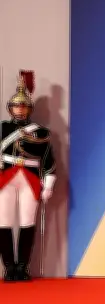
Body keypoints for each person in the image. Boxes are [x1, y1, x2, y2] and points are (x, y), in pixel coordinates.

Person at [0, 71, 57, 283]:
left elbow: (48, 160)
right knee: (3, 222)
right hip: (5, 178)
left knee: (27, 222)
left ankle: (23, 267)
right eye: (16, 106)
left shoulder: (41, 132)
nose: (20, 110)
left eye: (23, 106)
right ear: (10, 108)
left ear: (29, 109)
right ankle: (9, 267)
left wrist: (48, 185)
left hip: (30, 179)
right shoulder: (2, 128)